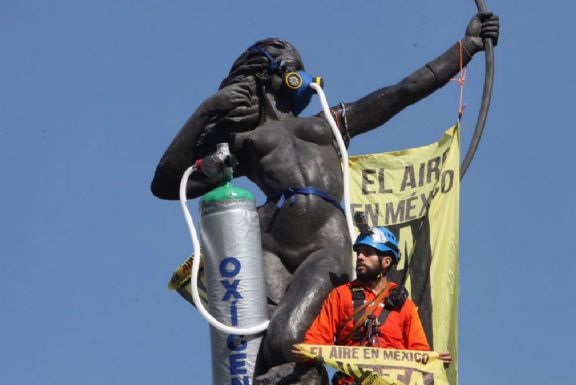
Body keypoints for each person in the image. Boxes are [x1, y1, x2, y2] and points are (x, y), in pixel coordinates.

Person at [150, 12, 498, 373]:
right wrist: (209, 108)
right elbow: (166, 183)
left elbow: (401, 93)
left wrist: (467, 47)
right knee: (257, 352)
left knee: (288, 341)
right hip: (267, 250)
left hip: (324, 248)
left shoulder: (329, 123)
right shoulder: (243, 142)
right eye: (293, 63)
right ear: (274, 71)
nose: (300, 71)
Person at [293, 226, 450, 384]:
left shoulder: (404, 306)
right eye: (359, 252)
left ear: (386, 261)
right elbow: (317, 338)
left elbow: (420, 353)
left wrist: (435, 362)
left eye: (367, 253)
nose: (360, 257)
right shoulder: (341, 295)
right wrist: (306, 352)